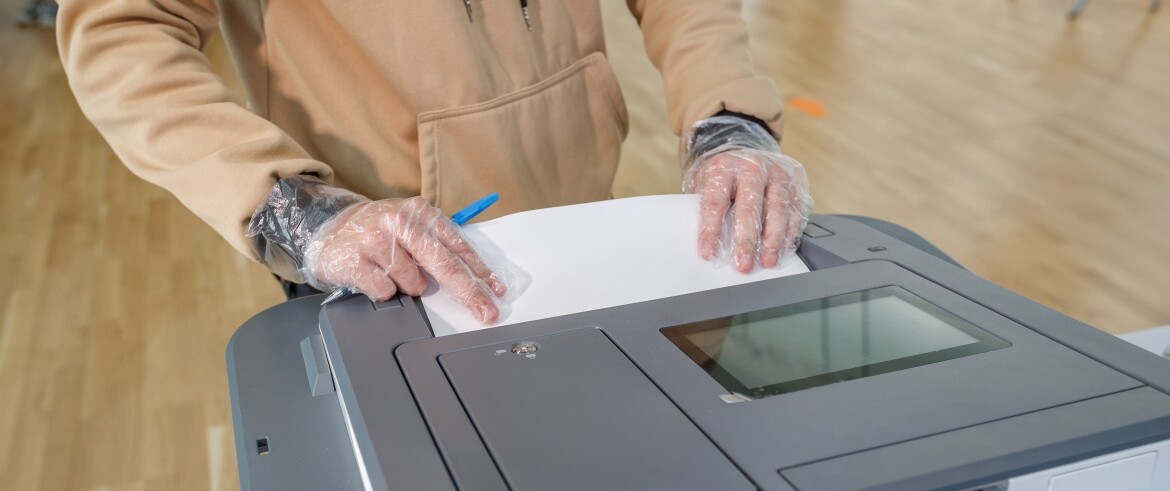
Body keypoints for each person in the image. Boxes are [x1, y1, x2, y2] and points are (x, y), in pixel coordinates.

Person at [57, 1, 811, 323]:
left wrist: (727, 113)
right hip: (392, 271)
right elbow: (119, 35)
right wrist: (293, 209)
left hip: (583, 220)